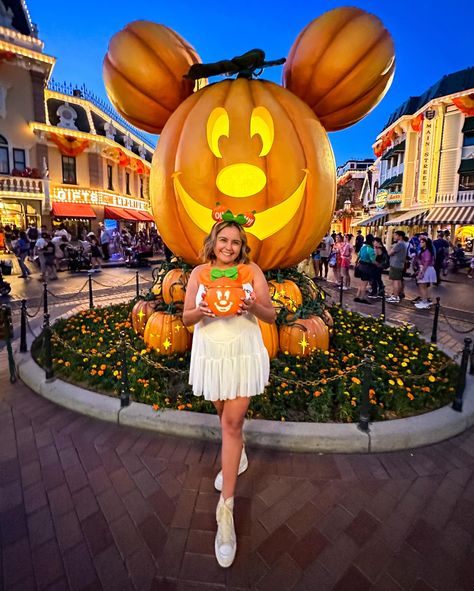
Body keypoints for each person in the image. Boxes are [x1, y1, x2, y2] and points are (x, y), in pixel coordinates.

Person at [183, 220, 275, 568]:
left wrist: (253, 306)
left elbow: (271, 313)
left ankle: (226, 512)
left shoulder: (252, 272)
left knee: (232, 425)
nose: (229, 247)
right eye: (224, 240)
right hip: (212, 353)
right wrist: (200, 311)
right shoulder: (198, 274)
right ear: (214, 241)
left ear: (242, 246)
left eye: (235, 242)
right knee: (225, 420)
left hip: (241, 351)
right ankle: (239, 455)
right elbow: (186, 318)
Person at [414, 236, 436, 309]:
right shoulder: (423, 250)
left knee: (422, 286)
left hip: (426, 269)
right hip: (425, 268)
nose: (421, 243)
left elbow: (426, 262)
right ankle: (424, 300)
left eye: (422, 242)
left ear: (427, 243)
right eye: (420, 242)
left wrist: (422, 272)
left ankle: (424, 302)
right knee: (423, 286)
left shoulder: (427, 251)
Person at [386, 231, 408, 304]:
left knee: (395, 281)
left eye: (395, 235)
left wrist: (391, 248)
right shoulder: (403, 244)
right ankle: (397, 295)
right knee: (398, 280)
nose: (394, 237)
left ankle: (395, 296)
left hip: (396, 264)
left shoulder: (399, 244)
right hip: (399, 264)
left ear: (400, 236)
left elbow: (389, 253)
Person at [354, 234, 376, 304]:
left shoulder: (363, 247)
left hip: (361, 265)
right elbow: (373, 260)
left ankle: (357, 296)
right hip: (367, 267)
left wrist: (356, 263)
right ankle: (362, 298)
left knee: (361, 282)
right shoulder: (370, 249)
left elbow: (358, 256)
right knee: (364, 284)